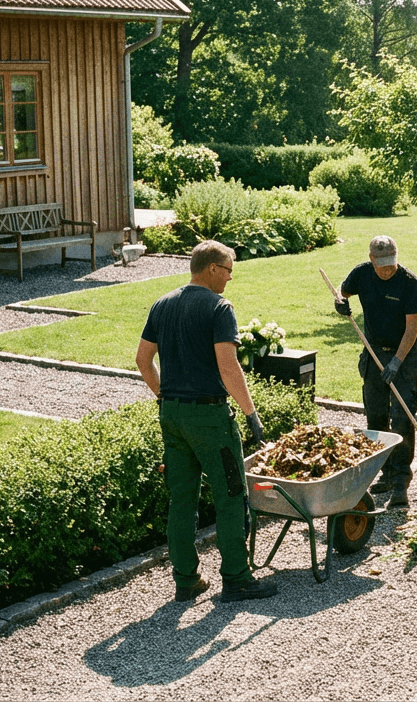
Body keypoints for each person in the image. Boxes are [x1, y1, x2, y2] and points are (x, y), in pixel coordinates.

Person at [136, 240, 278, 603]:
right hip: (210, 418)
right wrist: (251, 413)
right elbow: (229, 369)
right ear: (213, 268)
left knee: (181, 499)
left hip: (171, 415)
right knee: (231, 495)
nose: (230, 279)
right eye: (229, 270)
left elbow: (142, 360)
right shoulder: (219, 308)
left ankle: (186, 580)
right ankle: (236, 579)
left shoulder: (162, 304)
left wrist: (164, 396)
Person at [335, 235, 417, 508]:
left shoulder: (410, 283)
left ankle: (400, 483)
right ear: (372, 259)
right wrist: (339, 302)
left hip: (404, 358)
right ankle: (384, 473)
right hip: (373, 354)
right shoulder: (362, 274)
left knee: (402, 420)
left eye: (391, 264)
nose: (388, 269)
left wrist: (396, 362)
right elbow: (343, 290)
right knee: (375, 418)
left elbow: (413, 328)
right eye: (382, 264)